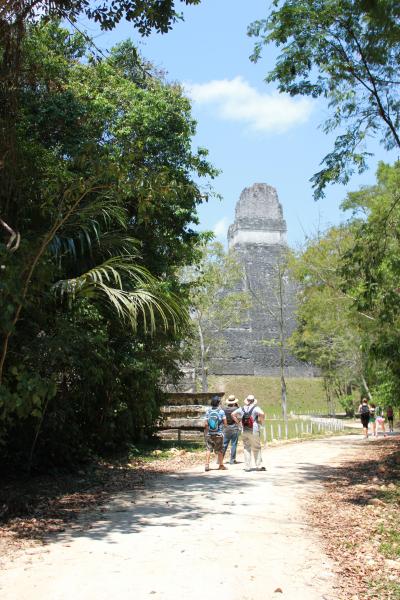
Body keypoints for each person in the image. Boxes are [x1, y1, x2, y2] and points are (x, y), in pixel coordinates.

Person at [232, 394, 266, 472]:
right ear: (253, 401)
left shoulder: (242, 408)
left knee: (246, 447)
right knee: (256, 447)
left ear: (247, 400)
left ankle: (247, 467)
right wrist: (261, 421)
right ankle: (258, 465)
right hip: (254, 429)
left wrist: (238, 422)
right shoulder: (256, 408)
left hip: (244, 429)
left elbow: (233, 414)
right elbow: (262, 414)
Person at [204, 395, 227, 472]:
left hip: (210, 434)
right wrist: (223, 427)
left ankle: (207, 464)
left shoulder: (208, 411)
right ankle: (221, 465)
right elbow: (225, 423)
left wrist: (209, 430)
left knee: (208, 449)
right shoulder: (221, 411)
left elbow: (205, 424)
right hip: (218, 434)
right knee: (220, 449)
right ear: (218, 403)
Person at [222, 395, 240, 464]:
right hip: (234, 427)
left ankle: (220, 459)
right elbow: (239, 417)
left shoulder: (224, 409)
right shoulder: (237, 409)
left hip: (226, 428)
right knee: (234, 444)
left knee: (224, 444)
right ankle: (232, 460)